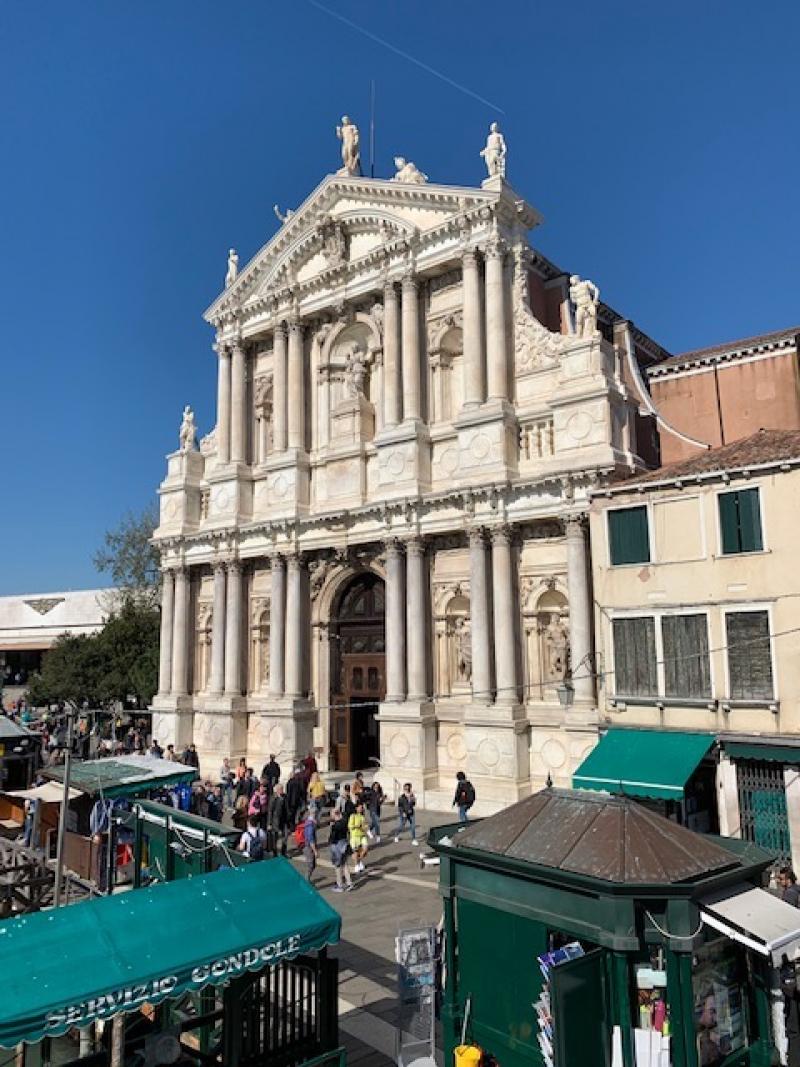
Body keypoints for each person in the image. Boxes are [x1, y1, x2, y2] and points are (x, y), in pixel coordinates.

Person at [329, 813, 353, 892]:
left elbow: (333, 838)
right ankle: (349, 883)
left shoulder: (335, 826)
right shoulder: (344, 822)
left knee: (338, 866)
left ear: (335, 816)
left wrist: (332, 827)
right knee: (345, 864)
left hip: (337, 846)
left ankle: (340, 885)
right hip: (344, 844)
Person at [267, 783, 289, 857]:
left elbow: (287, 808)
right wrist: (269, 823)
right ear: (276, 790)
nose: (282, 790)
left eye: (282, 789)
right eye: (280, 789)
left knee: (284, 837)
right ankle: (274, 853)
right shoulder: (273, 798)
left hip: (284, 820)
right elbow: (270, 811)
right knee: (275, 838)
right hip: (275, 821)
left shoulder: (285, 797)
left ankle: (284, 852)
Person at [348, 801, 370, 874]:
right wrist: (358, 826)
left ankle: (359, 861)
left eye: (362, 807)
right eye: (360, 807)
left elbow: (365, 825)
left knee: (365, 850)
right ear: (356, 808)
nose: (361, 809)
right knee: (356, 852)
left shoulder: (362, 816)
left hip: (362, 835)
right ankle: (357, 865)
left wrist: (366, 827)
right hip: (355, 836)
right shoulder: (353, 816)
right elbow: (350, 826)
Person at [303, 810, 319, 882]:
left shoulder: (309, 823)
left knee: (313, 865)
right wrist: (315, 851)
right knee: (310, 865)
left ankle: (307, 880)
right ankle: (306, 881)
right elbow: (311, 839)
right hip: (309, 847)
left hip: (308, 846)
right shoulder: (310, 825)